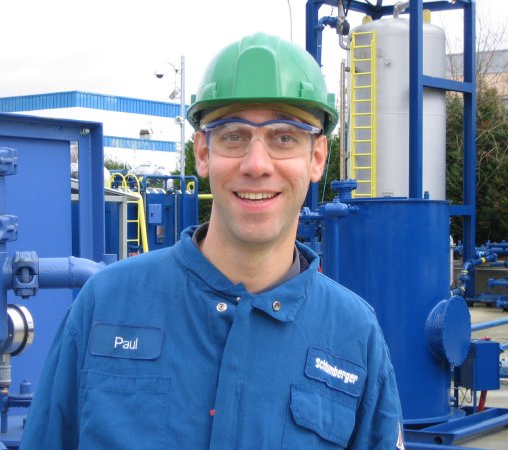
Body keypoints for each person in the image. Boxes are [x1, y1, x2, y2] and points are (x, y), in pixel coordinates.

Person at [20, 32, 404, 449]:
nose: (256, 164)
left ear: (316, 157)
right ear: (203, 153)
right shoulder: (106, 304)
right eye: (233, 135)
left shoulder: (354, 335)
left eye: (284, 137)